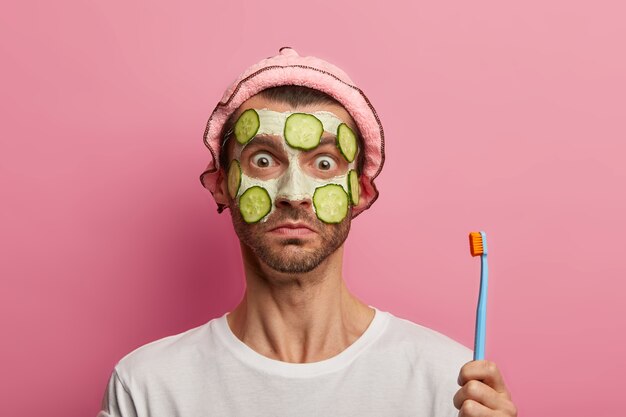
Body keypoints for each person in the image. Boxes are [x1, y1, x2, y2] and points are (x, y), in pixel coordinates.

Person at [97, 47, 517, 417]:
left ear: (362, 190)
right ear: (222, 182)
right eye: (264, 161)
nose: (293, 194)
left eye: (324, 164)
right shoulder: (146, 388)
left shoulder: (456, 385)